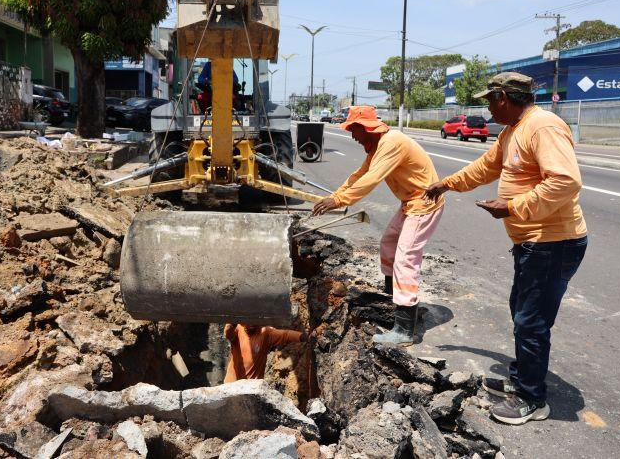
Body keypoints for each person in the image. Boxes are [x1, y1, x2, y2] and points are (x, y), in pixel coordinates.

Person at [424, 72, 588, 425]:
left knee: (531, 321)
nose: (487, 108)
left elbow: (566, 181)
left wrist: (513, 207)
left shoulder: (542, 126)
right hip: (533, 243)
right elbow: (485, 168)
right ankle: (521, 379)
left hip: (553, 242)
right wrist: (446, 184)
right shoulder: (513, 131)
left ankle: (531, 398)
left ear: (503, 97)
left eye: (489, 100)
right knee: (522, 311)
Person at [311, 106, 444, 346]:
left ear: (366, 128)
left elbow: (371, 179)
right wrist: (336, 195)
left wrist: (340, 200)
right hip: (410, 202)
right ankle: (393, 295)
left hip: (424, 204)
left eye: (354, 130)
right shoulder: (379, 146)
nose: (353, 136)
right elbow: (359, 174)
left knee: (406, 259)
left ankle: (405, 330)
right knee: (389, 242)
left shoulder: (391, 143)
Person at [223, 323, 308, 383]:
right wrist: (232, 321)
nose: (251, 323)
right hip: (232, 384)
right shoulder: (237, 330)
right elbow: (228, 333)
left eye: (255, 319)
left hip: (252, 387)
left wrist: (303, 337)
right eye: (248, 319)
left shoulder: (265, 333)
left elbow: (285, 335)